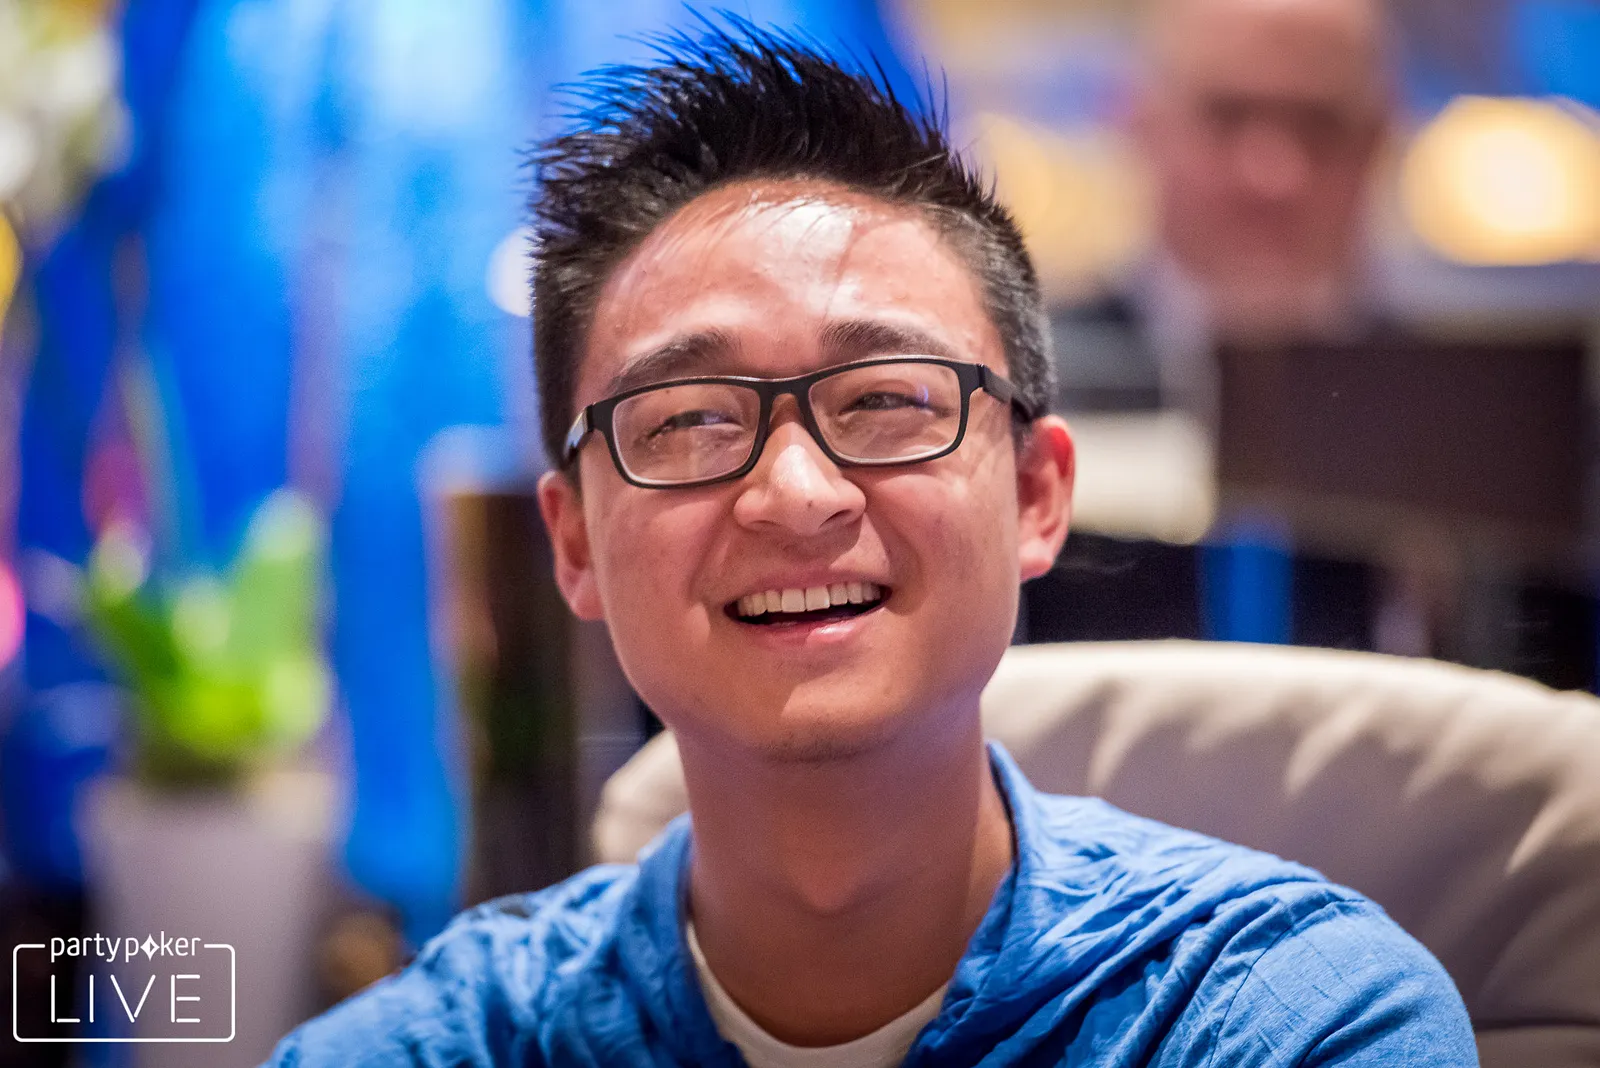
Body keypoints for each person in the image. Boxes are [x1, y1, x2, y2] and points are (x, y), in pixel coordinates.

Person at [264, 24, 1475, 1067]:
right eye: (689, 420)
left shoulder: (1280, 1020)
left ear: (1036, 493)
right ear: (573, 541)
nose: (795, 494)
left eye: (886, 400)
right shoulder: (442, 1042)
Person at [1030, 0, 1396, 650]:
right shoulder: (1031, 381)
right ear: (1137, 120)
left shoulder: (1471, 408)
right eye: (1228, 116)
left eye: (1320, 126)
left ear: (1378, 142)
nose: (1274, 175)